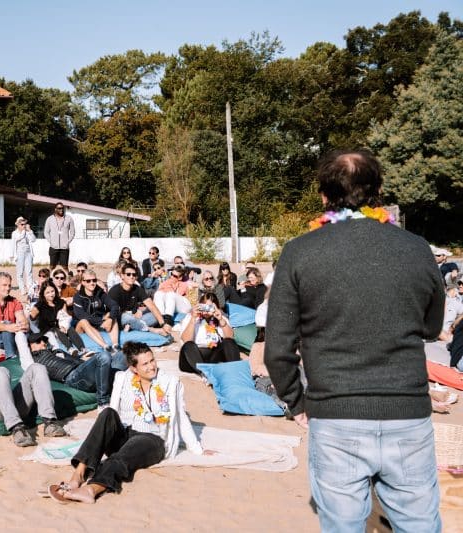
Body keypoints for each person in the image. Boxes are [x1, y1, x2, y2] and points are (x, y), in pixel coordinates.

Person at [265, 149, 445, 532]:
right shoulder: (416, 247)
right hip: (407, 413)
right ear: (378, 190)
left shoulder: (300, 252)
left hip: (335, 413)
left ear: (323, 196)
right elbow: (432, 327)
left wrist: (297, 402)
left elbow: (277, 348)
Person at [48, 342, 205, 504]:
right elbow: (113, 412)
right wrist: (104, 436)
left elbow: (181, 416)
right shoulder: (122, 378)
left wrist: (197, 448)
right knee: (107, 413)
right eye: (145, 364)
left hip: (152, 439)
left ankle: (92, 489)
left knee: (121, 457)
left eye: (152, 360)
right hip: (126, 434)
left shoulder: (170, 382)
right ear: (133, 368)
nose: (152, 366)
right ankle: (78, 476)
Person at [22, 332, 112, 408]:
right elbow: (20, 340)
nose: (43, 343)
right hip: (72, 377)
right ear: (30, 346)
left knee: (120, 356)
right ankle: (103, 402)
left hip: (83, 371)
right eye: (38, 341)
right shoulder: (35, 359)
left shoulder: (58, 351)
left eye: (44, 340)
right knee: (103, 356)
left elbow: (79, 362)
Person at [178, 293, 240, 369]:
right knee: (188, 345)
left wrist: (220, 319)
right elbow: (186, 340)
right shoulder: (190, 317)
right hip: (193, 356)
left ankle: (236, 370)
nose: (206, 310)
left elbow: (230, 337)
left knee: (228, 342)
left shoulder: (220, 318)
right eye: (204, 306)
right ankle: (204, 372)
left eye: (209, 307)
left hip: (212, 355)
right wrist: (193, 319)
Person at [108, 263, 170, 336]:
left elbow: (151, 306)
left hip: (136, 318)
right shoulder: (114, 291)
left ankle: (132, 326)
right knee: (126, 317)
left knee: (155, 316)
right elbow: (112, 313)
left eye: (134, 275)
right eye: (128, 274)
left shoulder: (137, 289)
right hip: (120, 319)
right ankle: (150, 329)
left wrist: (163, 324)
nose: (131, 277)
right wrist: (130, 315)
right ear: (122, 276)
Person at [29, 280, 88, 356]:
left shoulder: (61, 303)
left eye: (52, 291)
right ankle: (70, 348)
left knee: (69, 328)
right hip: (47, 331)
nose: (51, 294)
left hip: (60, 326)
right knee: (57, 329)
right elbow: (31, 321)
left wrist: (64, 326)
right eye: (47, 292)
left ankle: (82, 349)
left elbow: (65, 318)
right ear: (43, 294)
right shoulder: (39, 306)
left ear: (55, 290)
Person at [73, 269, 120, 353]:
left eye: (94, 280)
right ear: (82, 282)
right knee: (84, 321)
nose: (92, 283)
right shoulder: (78, 296)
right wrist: (102, 320)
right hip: (82, 327)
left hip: (98, 324)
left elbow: (114, 305)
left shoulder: (100, 293)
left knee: (111, 315)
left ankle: (115, 346)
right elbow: (81, 316)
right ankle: (105, 346)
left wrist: (110, 319)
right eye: (88, 281)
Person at [44, 202, 75, 270]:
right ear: (55, 209)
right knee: (52, 266)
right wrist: (51, 242)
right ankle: (51, 280)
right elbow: (46, 232)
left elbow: (72, 232)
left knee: (65, 267)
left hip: (64, 248)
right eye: (59, 208)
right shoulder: (49, 219)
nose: (61, 210)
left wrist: (67, 242)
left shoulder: (69, 218)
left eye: (62, 208)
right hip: (53, 247)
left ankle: (65, 280)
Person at [11, 216, 36, 295]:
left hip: (28, 252)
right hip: (19, 253)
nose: (24, 226)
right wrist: (13, 255)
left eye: (24, 224)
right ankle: (22, 289)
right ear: (18, 225)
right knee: (20, 272)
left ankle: (30, 288)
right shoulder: (15, 233)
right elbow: (18, 239)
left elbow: (33, 239)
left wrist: (30, 231)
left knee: (29, 272)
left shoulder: (27, 231)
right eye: (22, 224)